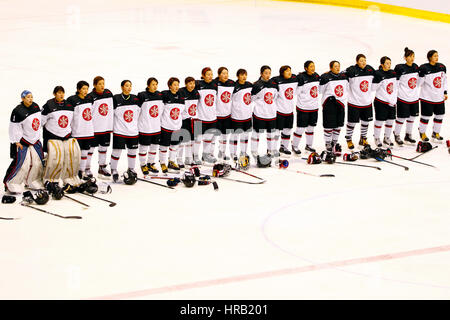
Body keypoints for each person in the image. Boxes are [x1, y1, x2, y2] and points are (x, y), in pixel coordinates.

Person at [3, 90, 45, 193]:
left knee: (37, 163)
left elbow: (37, 122)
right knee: (22, 164)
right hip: (22, 142)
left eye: (31, 96)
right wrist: (16, 141)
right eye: (28, 97)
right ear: (22, 99)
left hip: (34, 140)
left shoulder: (35, 106)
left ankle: (33, 181)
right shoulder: (18, 111)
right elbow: (13, 127)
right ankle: (11, 183)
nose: (30, 99)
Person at [41, 86, 81, 189]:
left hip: (66, 136)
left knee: (72, 156)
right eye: (59, 93)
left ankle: (69, 177)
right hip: (53, 136)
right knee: (55, 158)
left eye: (62, 93)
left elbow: (72, 121)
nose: (61, 95)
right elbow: (41, 122)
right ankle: (50, 179)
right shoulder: (48, 106)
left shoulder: (69, 105)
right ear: (54, 94)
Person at [110, 80, 141, 182]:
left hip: (133, 131)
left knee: (132, 151)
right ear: (122, 87)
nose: (129, 88)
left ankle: (131, 168)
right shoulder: (116, 98)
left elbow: (139, 113)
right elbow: (112, 114)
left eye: (130, 86)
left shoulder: (136, 98)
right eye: (127, 86)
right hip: (119, 131)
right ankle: (113, 169)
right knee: (117, 151)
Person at [345, 54, 376, 149]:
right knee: (352, 123)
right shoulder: (351, 70)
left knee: (366, 122)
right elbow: (341, 75)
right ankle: (349, 139)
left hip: (366, 102)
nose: (363, 62)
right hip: (354, 102)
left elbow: (378, 75)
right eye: (361, 60)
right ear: (357, 61)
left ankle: (363, 138)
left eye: (364, 60)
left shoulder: (370, 69)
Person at [67, 81, 95, 179]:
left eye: (87, 89)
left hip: (88, 131)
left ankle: (82, 171)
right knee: (75, 154)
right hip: (77, 132)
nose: (85, 91)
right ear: (78, 89)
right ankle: (72, 173)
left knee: (85, 153)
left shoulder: (90, 99)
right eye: (83, 89)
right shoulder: (72, 100)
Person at [418, 50, 447, 141]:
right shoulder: (424, 68)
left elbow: (444, 81)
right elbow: (419, 83)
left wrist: (445, 92)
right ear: (430, 57)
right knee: (426, 117)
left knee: (440, 115)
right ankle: (422, 132)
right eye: (434, 56)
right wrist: (421, 76)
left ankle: (436, 132)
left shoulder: (442, 67)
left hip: (439, 97)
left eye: (437, 56)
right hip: (427, 97)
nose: (437, 57)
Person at [292, 60, 320, 154]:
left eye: (314, 66)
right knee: (300, 128)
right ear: (306, 68)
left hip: (314, 107)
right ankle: (294, 145)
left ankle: (309, 145)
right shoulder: (301, 77)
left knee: (311, 128)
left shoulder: (316, 76)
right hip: (303, 108)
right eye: (311, 66)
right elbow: (297, 92)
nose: (313, 68)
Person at [319, 61, 348, 153]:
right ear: (330, 67)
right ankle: (328, 143)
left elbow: (346, 87)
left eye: (338, 66)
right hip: (329, 103)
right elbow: (320, 90)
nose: (337, 68)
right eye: (335, 66)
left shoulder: (344, 76)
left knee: (338, 125)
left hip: (341, 103)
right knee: (329, 125)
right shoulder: (325, 77)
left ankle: (334, 143)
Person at [393, 47, 420, 144]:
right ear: (405, 57)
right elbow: (395, 83)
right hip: (403, 97)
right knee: (401, 117)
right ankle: (396, 134)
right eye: (410, 56)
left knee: (412, 117)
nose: (412, 58)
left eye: (413, 56)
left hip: (414, 97)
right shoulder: (400, 68)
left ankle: (408, 135)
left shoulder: (416, 67)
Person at [251, 65, 279, 159]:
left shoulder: (274, 84)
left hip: (271, 114)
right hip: (259, 114)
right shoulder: (257, 85)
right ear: (261, 73)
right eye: (266, 73)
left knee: (271, 134)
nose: (268, 75)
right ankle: (254, 151)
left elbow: (275, 97)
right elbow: (252, 98)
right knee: (256, 134)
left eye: (269, 73)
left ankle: (270, 150)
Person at [89, 76, 114, 178]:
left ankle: (102, 167)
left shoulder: (108, 93)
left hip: (106, 127)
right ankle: (86, 169)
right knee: (90, 149)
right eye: (99, 84)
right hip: (95, 128)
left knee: (104, 148)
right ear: (94, 85)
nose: (102, 86)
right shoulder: (90, 96)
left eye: (103, 83)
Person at [137, 77, 163, 175]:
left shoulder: (159, 95)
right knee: (144, 147)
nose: (155, 86)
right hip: (145, 127)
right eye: (153, 84)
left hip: (156, 127)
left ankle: (150, 163)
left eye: (156, 84)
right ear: (148, 85)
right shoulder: (142, 95)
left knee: (154, 147)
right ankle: (143, 165)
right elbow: (137, 110)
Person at [160, 77, 185, 173]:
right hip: (166, 126)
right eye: (174, 85)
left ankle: (171, 162)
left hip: (176, 126)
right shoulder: (165, 95)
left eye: (178, 85)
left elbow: (182, 111)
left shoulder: (181, 96)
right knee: (164, 146)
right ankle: (162, 163)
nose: (176, 87)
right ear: (169, 86)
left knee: (174, 146)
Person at [372, 56, 398, 147]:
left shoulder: (393, 73)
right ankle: (377, 138)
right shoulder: (378, 74)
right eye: (387, 63)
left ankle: (387, 137)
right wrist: (379, 82)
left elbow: (395, 87)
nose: (389, 65)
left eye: (390, 63)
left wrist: (394, 100)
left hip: (391, 102)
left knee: (390, 121)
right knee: (379, 121)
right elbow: (373, 88)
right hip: (381, 101)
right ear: (382, 64)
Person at [273, 65, 298, 155]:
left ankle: (284, 147)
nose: (289, 72)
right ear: (282, 73)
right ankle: (273, 149)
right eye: (287, 71)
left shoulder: (294, 79)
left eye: (290, 70)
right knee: (276, 131)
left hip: (290, 111)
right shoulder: (277, 81)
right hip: (279, 111)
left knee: (288, 130)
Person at [195, 67, 218, 164]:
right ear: (203, 75)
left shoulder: (214, 85)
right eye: (208, 74)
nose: (210, 76)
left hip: (212, 117)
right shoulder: (198, 85)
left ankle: (205, 155)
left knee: (208, 138)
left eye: (211, 74)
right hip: (200, 117)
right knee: (197, 139)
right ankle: (195, 156)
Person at [230, 68, 253, 161]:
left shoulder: (249, 85)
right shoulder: (234, 87)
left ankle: (243, 151)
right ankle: (233, 153)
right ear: (237, 76)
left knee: (245, 135)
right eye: (242, 75)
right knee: (235, 135)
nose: (244, 77)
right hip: (236, 115)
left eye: (245, 75)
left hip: (247, 115)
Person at [178, 76, 200, 167]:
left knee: (192, 141)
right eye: (190, 83)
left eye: (193, 83)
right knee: (182, 141)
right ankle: (179, 159)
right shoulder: (181, 92)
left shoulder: (196, 93)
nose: (192, 85)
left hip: (195, 119)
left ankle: (189, 158)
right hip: (184, 120)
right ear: (186, 84)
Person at [214, 67, 235, 160]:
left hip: (227, 115)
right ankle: (208, 154)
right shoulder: (214, 84)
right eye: (223, 73)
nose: (225, 75)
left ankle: (222, 152)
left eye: (227, 73)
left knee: (225, 135)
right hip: (216, 115)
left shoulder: (231, 83)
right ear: (219, 75)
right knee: (213, 136)